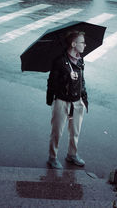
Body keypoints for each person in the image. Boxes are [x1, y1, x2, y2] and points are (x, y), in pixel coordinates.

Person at [46, 30, 88, 169]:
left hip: (77, 101)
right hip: (62, 101)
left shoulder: (81, 60)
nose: (85, 45)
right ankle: (52, 157)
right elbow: (51, 82)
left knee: (75, 132)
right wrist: (66, 80)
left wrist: (84, 99)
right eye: (82, 42)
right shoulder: (59, 61)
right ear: (74, 43)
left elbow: (82, 81)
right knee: (57, 131)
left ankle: (72, 154)